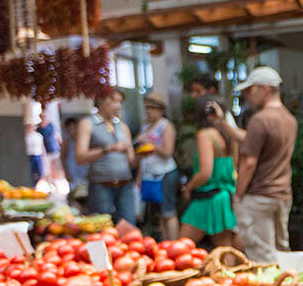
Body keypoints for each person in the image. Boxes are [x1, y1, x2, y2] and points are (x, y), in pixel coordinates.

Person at [211, 66, 296, 264]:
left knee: (262, 257)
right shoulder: (288, 119)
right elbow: (252, 139)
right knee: (281, 252)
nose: (247, 96)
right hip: (282, 195)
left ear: (265, 89)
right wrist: (224, 124)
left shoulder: (260, 120)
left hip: (259, 196)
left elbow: (249, 162)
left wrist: (238, 195)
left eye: (250, 90)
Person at [180, 96, 238, 248]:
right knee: (225, 250)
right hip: (226, 197)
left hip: (208, 199)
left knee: (181, 247)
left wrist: (188, 187)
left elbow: (205, 173)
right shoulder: (229, 136)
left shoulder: (205, 135)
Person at [76, 91, 138, 225]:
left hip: (125, 185)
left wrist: (141, 156)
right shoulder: (88, 123)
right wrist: (108, 149)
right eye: (114, 101)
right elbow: (80, 157)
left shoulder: (123, 126)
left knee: (129, 227)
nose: (118, 106)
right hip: (100, 186)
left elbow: (131, 162)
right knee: (102, 229)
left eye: (120, 102)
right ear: (101, 101)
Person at [136, 93, 180, 240]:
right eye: (147, 108)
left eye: (152, 108)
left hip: (165, 173)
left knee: (168, 212)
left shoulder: (166, 126)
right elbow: (142, 157)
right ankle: (165, 244)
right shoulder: (145, 126)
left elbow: (167, 151)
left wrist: (150, 143)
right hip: (149, 174)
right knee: (160, 213)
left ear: (160, 110)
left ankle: (173, 243)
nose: (148, 111)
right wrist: (139, 177)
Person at [37, 107, 62, 182]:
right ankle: (50, 182)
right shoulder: (39, 128)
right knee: (46, 169)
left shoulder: (51, 125)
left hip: (54, 149)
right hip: (46, 151)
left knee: (58, 167)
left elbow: (57, 136)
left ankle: (58, 181)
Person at [25, 120, 45, 186]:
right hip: (30, 155)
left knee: (39, 172)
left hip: (38, 155)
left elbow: (42, 146)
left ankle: (36, 184)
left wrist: (43, 156)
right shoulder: (26, 136)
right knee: (31, 172)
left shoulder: (38, 136)